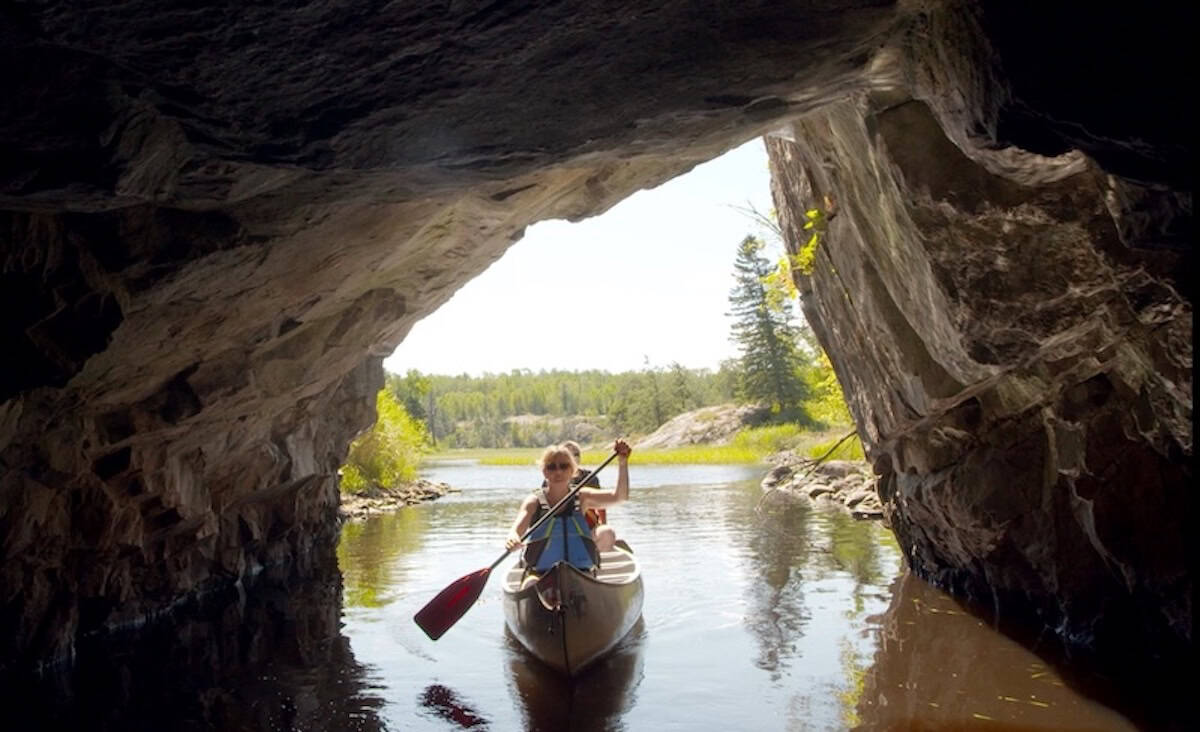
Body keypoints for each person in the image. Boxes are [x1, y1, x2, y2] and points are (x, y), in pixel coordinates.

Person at [506, 439, 631, 574]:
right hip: (540, 573)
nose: (558, 471)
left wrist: (622, 462)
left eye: (564, 466)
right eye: (551, 467)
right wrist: (512, 539)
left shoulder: (583, 497)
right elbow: (515, 531)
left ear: (572, 470)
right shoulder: (533, 501)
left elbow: (619, 497)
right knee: (529, 585)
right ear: (544, 472)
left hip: (580, 571)